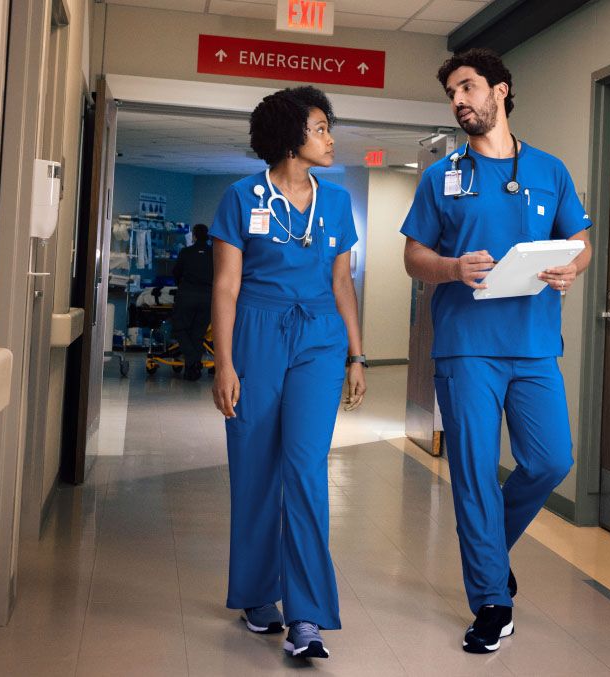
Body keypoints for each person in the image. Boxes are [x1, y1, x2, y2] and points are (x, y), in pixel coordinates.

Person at [400, 48, 592, 654]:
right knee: (476, 475)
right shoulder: (442, 177)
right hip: (466, 347)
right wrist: (453, 267)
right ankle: (490, 598)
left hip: (534, 344)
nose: (459, 101)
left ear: (500, 92)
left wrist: (571, 268)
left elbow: (579, 241)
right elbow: (413, 257)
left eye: (468, 87)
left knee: (550, 461)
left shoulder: (550, 170)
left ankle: (487, 553)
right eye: (452, 93)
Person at [209, 85, 367, 660]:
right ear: (291, 137)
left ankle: (306, 616)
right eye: (321, 127)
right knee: (254, 467)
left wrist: (356, 353)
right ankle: (256, 593)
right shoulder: (239, 196)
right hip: (256, 333)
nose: (330, 138)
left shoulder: (338, 200)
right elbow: (226, 286)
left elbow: (342, 282)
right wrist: (224, 363)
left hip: (319, 338)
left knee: (304, 470)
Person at [171, 223, 213, 380]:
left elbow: (176, 272)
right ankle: (192, 370)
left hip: (187, 296)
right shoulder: (213, 254)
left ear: (194, 236)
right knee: (198, 333)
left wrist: (182, 285)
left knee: (180, 329)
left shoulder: (186, 252)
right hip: (207, 298)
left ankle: (193, 360)